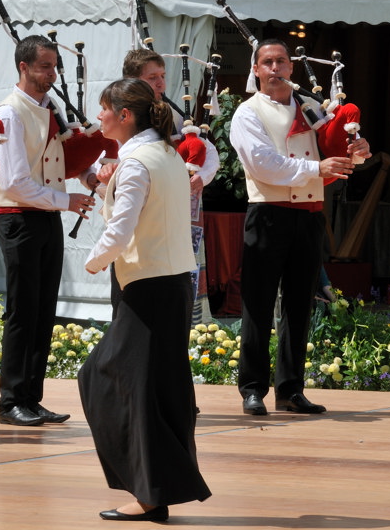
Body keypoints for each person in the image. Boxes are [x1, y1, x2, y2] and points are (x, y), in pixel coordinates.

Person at [80, 78, 211, 522]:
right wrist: (106, 188)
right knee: (157, 387)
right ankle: (155, 490)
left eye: (103, 109)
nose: (98, 117)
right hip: (171, 282)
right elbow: (141, 209)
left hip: (148, 286)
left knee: (107, 379)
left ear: (125, 115)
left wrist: (94, 262)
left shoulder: (136, 161)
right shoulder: (167, 154)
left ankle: (152, 490)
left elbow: (122, 228)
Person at [229, 39, 371, 416]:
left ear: (291, 68)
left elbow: (331, 144)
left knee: (298, 305)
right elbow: (264, 165)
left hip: (308, 215)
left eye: (281, 62)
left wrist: (355, 148)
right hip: (268, 213)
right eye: (268, 63)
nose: (275, 69)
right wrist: (316, 169)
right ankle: (253, 389)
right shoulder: (247, 113)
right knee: (258, 305)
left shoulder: (310, 107)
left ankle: (290, 390)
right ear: (256, 70)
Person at [0, 34, 95, 427]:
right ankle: (10, 401)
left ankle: (31, 398)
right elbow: (14, 181)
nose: (52, 73)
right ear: (23, 67)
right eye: (44, 66)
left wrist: (87, 174)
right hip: (17, 216)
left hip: (45, 214)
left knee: (43, 309)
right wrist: (66, 200)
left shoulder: (48, 106)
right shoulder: (10, 113)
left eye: (54, 66)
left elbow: (64, 156)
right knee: (22, 310)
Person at [117, 49, 219, 324]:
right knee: (132, 293)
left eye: (162, 76)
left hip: (169, 218)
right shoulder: (119, 115)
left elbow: (207, 152)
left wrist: (201, 177)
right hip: (133, 217)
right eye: (153, 77)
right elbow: (103, 160)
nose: (161, 83)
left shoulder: (171, 116)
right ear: (133, 81)